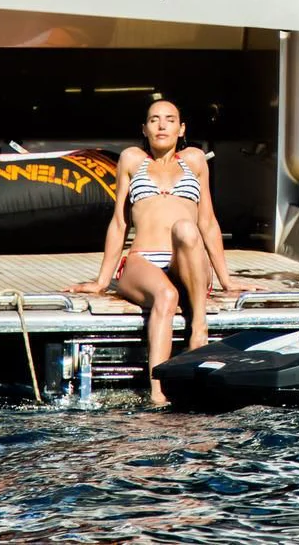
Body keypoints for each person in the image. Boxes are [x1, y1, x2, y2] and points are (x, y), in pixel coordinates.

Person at [67, 97, 254, 404]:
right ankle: (158, 393)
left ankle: (198, 327)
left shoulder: (194, 160)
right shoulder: (131, 160)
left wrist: (227, 280)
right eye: (154, 119)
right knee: (166, 296)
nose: (162, 124)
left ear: (181, 129)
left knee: (186, 227)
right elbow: (119, 222)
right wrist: (101, 281)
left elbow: (207, 221)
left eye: (169, 119)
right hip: (144, 260)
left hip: (187, 261)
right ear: (145, 128)